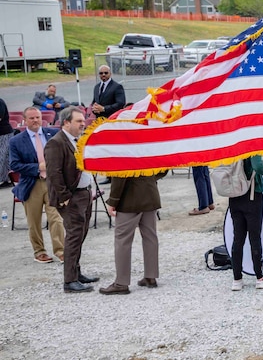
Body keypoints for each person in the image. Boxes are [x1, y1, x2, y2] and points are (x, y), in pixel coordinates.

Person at [44, 106, 99, 293]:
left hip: (84, 194)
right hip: (72, 197)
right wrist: (65, 197)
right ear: (66, 122)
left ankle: (76, 272)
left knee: (80, 235)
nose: (83, 124)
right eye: (79, 121)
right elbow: (53, 173)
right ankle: (69, 281)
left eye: (83, 121)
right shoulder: (56, 142)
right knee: (74, 237)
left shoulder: (77, 140)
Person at [9, 107, 66, 263]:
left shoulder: (53, 134)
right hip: (31, 184)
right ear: (25, 120)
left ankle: (60, 251)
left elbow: (64, 154)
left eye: (38, 117)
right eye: (32, 118)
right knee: (34, 221)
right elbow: (14, 164)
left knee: (56, 218)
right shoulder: (16, 141)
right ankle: (39, 252)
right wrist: (37, 168)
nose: (35, 120)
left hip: (52, 183)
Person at [99, 172, 166, 295]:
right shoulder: (149, 150)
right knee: (150, 237)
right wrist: (148, 178)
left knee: (122, 240)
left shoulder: (123, 151)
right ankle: (151, 276)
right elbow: (164, 166)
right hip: (150, 193)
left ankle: (121, 283)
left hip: (129, 197)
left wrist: (113, 201)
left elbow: (119, 175)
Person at [228, 155, 263, 291]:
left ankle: (237, 279)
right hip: (252, 195)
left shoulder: (232, 144)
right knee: (254, 237)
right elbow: (258, 166)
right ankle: (259, 278)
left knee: (237, 238)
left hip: (234, 196)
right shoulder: (251, 144)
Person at [0, 95, 12, 187]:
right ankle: (5, 179)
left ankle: (5, 179)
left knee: (3, 155)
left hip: (4, 133)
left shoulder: (0, 102)